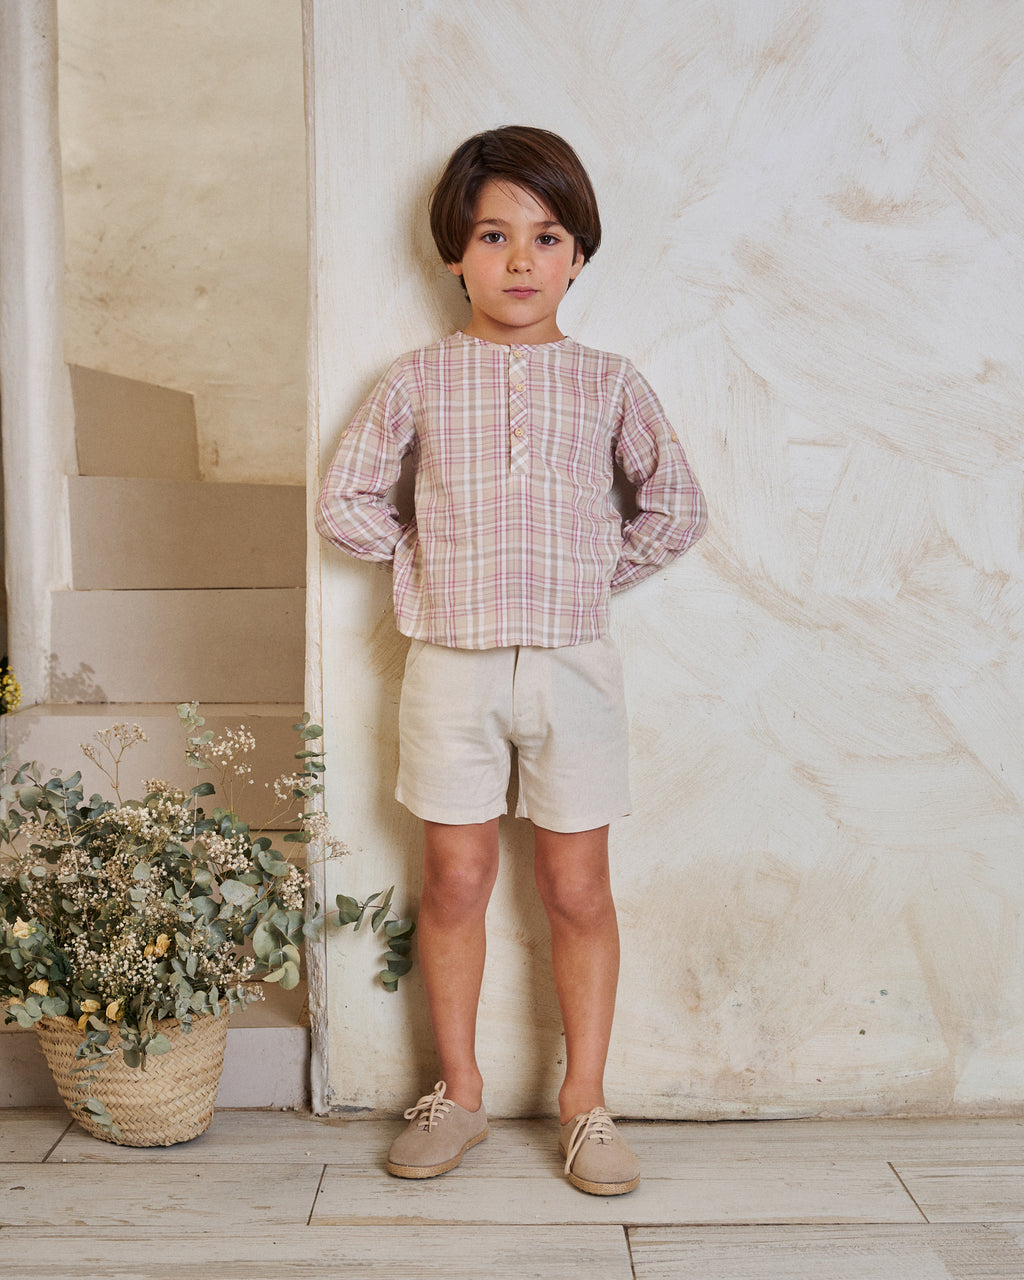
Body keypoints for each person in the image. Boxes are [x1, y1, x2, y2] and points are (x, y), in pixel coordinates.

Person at [316, 126, 707, 1196]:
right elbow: (345, 498)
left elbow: (676, 507)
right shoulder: (418, 380)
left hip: (575, 663)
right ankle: (461, 1092)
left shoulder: (608, 382)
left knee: (577, 888)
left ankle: (586, 1103)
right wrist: (421, 564)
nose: (520, 260)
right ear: (456, 252)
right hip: (451, 663)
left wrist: (588, 575)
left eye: (545, 236)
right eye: (494, 235)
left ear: (578, 254)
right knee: (454, 876)